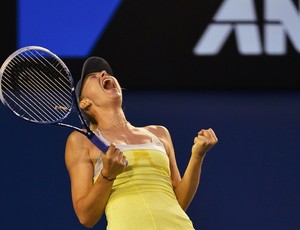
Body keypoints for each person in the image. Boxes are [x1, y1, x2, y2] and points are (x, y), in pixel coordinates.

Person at [64, 56, 218, 229]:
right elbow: (86, 217)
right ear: (85, 103)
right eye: (93, 77)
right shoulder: (81, 140)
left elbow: (179, 203)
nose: (103, 73)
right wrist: (107, 175)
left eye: (105, 72)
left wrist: (197, 156)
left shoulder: (159, 133)